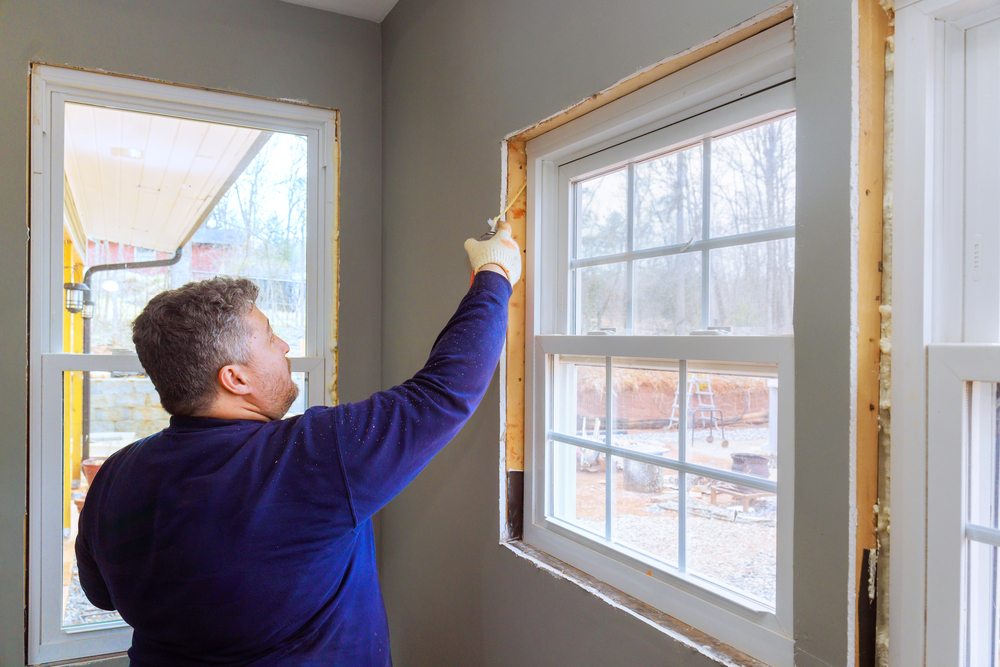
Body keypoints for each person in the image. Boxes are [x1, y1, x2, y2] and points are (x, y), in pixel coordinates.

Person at [76, 223, 522, 666]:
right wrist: (494, 272)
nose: (285, 346)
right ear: (235, 378)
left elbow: (100, 596)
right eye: (270, 338)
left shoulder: (116, 474)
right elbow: (443, 392)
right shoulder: (308, 457)